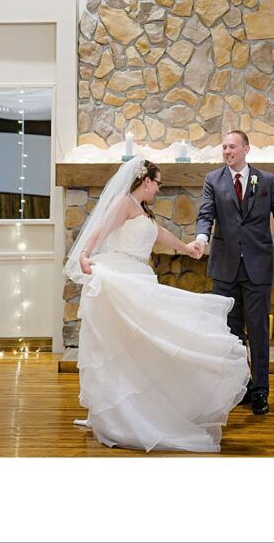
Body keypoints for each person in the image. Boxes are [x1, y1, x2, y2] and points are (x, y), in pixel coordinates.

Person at [65, 157, 250, 453]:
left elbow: (160, 235)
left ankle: (140, 408)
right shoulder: (124, 203)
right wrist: (85, 255)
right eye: (158, 183)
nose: (159, 189)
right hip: (123, 278)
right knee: (121, 347)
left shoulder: (142, 210)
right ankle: (114, 414)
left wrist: (187, 248)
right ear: (146, 181)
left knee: (142, 347)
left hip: (141, 277)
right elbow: (101, 228)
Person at [194, 130, 274, 416]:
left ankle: (261, 390)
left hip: (257, 267)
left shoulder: (266, 181)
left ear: (246, 149)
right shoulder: (213, 180)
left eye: (232, 147)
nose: (227, 151)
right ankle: (240, 387)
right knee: (230, 333)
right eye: (224, 147)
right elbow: (205, 215)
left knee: (259, 331)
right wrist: (201, 238)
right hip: (225, 268)